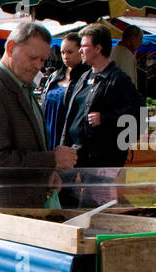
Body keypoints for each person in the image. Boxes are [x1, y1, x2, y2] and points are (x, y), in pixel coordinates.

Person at [0, 20, 78, 210]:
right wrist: (51, 160)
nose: (38, 66)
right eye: (32, 57)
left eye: (42, 60)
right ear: (10, 48)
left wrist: (46, 174)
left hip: (21, 209)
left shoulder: (22, 86)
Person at [59, 22, 142, 204]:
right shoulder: (84, 77)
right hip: (76, 155)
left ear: (98, 48)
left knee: (92, 208)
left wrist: (105, 119)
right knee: (66, 205)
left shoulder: (118, 79)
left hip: (100, 160)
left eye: (84, 46)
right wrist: (64, 146)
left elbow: (138, 114)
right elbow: (70, 116)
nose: (80, 50)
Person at [41, 33, 87, 149]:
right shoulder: (55, 76)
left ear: (81, 51)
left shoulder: (86, 78)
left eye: (70, 52)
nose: (65, 56)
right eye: (62, 52)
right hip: (48, 132)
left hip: (69, 136)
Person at [112, 24, 143, 90]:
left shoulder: (114, 50)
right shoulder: (125, 55)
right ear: (132, 38)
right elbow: (127, 85)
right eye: (140, 39)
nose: (141, 43)